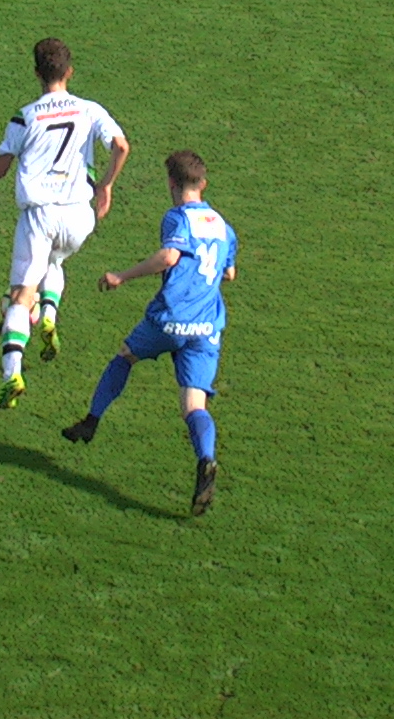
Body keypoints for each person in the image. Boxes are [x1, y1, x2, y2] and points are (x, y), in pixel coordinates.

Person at [62, 150, 238, 517]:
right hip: (206, 326)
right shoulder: (224, 226)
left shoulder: (177, 218)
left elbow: (170, 257)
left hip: (171, 318)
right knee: (194, 405)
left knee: (126, 355)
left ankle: (91, 421)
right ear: (203, 184)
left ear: (171, 183)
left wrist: (121, 276)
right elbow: (229, 273)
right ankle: (206, 459)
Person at [0, 38, 128, 408]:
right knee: (55, 261)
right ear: (69, 72)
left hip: (40, 215)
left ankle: (11, 375)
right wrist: (106, 186)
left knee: (19, 296)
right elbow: (121, 146)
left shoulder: (25, 116)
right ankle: (49, 314)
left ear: (36, 73)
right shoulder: (90, 110)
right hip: (78, 215)